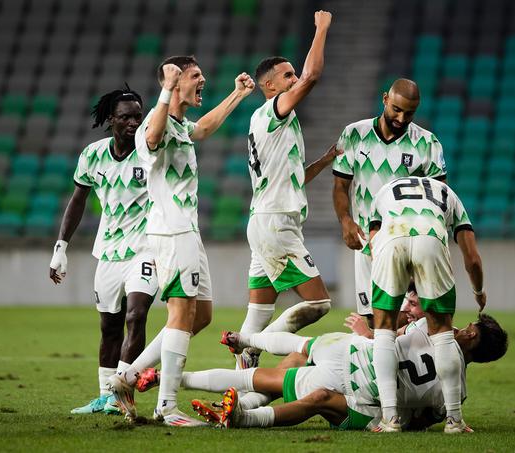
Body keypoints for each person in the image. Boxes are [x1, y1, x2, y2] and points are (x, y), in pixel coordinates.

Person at [107, 55, 255, 427]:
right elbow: (153, 137)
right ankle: (167, 407)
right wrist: (166, 89)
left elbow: (204, 127)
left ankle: (125, 379)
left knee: (200, 316)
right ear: (175, 83)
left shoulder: (181, 126)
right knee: (180, 314)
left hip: (187, 232)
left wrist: (236, 95)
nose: (202, 79)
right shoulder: (151, 129)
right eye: (195, 75)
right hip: (172, 233)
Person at [176, 313, 507, 430]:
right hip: (354, 359)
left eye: (469, 327)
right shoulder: (455, 392)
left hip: (367, 403)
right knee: (301, 351)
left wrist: (390, 416)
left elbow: (419, 421)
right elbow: (427, 418)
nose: (463, 327)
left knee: (313, 393)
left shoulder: (434, 333)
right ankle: (244, 348)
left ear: (474, 335)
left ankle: (242, 414)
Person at [235, 11, 335, 370]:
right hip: (277, 224)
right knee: (319, 303)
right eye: (286, 75)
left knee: (259, 311)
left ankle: (240, 388)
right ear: (271, 87)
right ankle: (254, 345)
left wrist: (325, 161)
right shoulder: (274, 112)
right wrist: (321, 29)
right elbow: (313, 76)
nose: (294, 79)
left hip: (263, 219)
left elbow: (288, 177)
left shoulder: (265, 120)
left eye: (293, 73)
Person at [49, 86, 157, 415]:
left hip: (147, 249)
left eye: (138, 116)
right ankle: (105, 397)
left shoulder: (151, 151)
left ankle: (123, 391)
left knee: (136, 315)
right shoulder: (93, 155)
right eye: (125, 117)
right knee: (109, 327)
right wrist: (61, 247)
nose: (133, 122)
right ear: (111, 119)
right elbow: (77, 201)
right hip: (109, 252)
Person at [366, 176, 485, 433]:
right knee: (442, 334)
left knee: (384, 331)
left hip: (390, 240)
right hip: (431, 238)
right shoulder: (448, 193)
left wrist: (396, 274)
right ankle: (454, 420)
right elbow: (472, 259)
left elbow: (373, 245)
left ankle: (389, 419)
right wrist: (478, 291)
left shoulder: (384, 191)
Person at [332, 79, 447, 324]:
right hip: (366, 242)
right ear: (385, 99)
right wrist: (345, 221)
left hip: (409, 243)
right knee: (373, 321)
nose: (402, 118)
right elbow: (340, 186)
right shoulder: (355, 134)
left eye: (410, 113)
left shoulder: (427, 143)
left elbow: (440, 195)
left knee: (411, 319)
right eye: (397, 109)